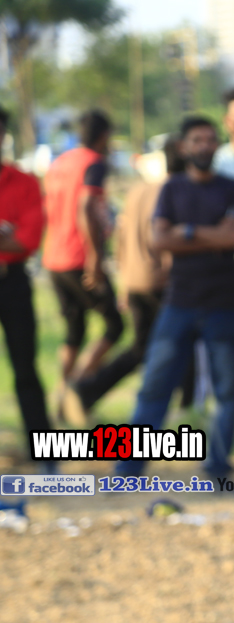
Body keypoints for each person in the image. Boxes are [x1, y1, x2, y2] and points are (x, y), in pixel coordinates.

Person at [114, 116, 234, 479]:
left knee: (225, 392)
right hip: (180, 301)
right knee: (154, 386)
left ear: (217, 145)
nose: (204, 146)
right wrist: (210, 234)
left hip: (225, 302)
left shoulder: (233, 188)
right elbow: (159, 239)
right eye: (196, 140)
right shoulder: (172, 189)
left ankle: (217, 466)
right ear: (184, 147)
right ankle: (129, 468)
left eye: (209, 140)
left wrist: (185, 233)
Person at [65, 138, 193, 423]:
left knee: (143, 347)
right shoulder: (175, 192)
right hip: (162, 282)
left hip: (135, 280)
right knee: (181, 344)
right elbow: (169, 242)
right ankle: (186, 407)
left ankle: (88, 391)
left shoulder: (138, 190)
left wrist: (124, 281)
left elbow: (121, 236)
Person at [41, 109, 125, 406]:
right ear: (104, 136)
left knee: (74, 329)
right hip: (79, 259)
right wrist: (95, 258)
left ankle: (62, 395)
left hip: (54, 258)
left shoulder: (60, 162)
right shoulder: (94, 163)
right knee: (115, 325)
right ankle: (75, 390)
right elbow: (86, 205)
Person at [0, 105, 55, 461]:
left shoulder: (23, 182)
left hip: (12, 283)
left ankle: (44, 453)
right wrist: (7, 233)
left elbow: (28, 240)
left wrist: (13, 238)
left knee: (26, 369)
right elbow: (15, 237)